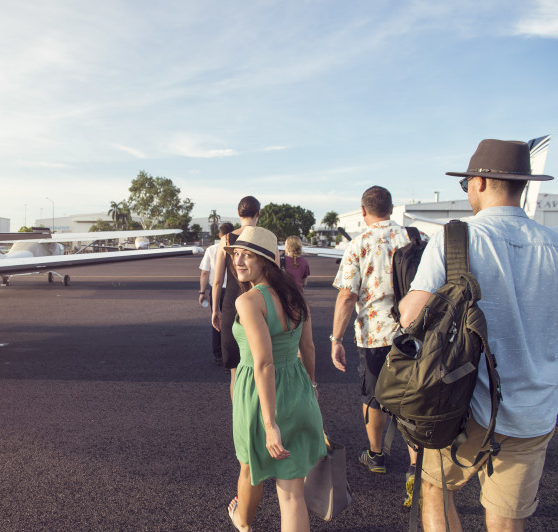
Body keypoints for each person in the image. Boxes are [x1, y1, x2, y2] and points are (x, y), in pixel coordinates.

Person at [399, 139, 558, 532]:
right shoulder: (554, 244)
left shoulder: (456, 238)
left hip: (460, 402)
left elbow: (410, 317)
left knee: (436, 489)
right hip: (534, 408)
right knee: (507, 519)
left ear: (481, 181)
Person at [224, 226, 325, 532]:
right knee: (292, 494)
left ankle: (243, 523)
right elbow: (307, 348)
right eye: (236, 254)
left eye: (248, 256)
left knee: (249, 467)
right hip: (297, 388)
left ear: (265, 262)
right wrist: (311, 386)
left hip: (258, 394)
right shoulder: (295, 296)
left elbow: (264, 362)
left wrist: (270, 425)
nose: (239, 261)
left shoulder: (249, 302)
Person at [330, 185, 424, 505]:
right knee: (411, 397)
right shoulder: (414, 238)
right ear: (392, 207)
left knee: (372, 396)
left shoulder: (359, 244)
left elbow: (347, 295)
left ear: (363, 209)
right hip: (412, 333)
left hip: (374, 336)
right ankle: (415, 467)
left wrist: (336, 338)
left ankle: (376, 456)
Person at [212, 196, 266, 396]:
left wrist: (215, 310)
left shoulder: (226, 240)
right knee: (262, 366)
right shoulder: (267, 238)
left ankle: (240, 421)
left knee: (235, 372)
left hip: (231, 306)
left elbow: (217, 281)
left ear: (238, 214)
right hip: (260, 305)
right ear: (257, 213)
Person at [199, 222, 235, 366]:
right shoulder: (236, 249)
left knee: (217, 321)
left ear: (219, 235)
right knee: (234, 323)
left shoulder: (211, 249)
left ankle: (218, 355)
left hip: (216, 290)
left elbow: (204, 272)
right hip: (233, 290)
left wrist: (202, 292)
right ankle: (232, 355)